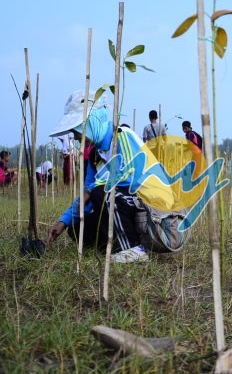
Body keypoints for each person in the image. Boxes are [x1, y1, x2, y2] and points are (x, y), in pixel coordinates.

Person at [46, 90, 189, 263]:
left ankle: (134, 249)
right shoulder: (95, 156)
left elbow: (126, 176)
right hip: (130, 207)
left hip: (158, 217)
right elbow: (86, 193)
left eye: (77, 130)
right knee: (77, 229)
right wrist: (64, 221)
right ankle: (116, 245)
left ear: (93, 120)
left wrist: (91, 191)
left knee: (102, 192)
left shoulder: (123, 137)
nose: (76, 137)